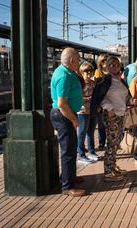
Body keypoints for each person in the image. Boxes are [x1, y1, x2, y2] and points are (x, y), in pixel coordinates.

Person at [50, 47, 86, 197]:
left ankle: (69, 177)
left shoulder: (68, 72)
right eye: (78, 59)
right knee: (68, 151)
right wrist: (74, 120)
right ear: (71, 60)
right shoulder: (63, 75)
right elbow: (62, 103)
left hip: (66, 114)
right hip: (64, 115)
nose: (79, 62)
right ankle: (67, 186)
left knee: (71, 149)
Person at [91, 56, 130, 181]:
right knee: (112, 143)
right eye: (111, 65)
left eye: (117, 65)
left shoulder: (120, 80)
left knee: (116, 143)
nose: (114, 67)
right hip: (111, 116)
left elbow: (126, 95)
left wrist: (130, 100)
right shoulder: (104, 80)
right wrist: (109, 108)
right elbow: (100, 98)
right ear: (106, 67)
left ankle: (112, 166)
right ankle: (108, 172)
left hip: (121, 114)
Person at [76, 62, 99, 164]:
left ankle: (91, 151)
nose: (89, 73)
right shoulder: (79, 83)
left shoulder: (93, 83)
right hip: (82, 111)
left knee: (91, 132)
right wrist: (88, 98)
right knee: (82, 133)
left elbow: (97, 95)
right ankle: (81, 154)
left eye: (91, 71)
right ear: (81, 72)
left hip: (93, 110)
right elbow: (78, 97)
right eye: (86, 71)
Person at [94, 54, 109, 150]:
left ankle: (110, 142)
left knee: (110, 124)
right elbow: (97, 89)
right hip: (101, 102)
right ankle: (101, 143)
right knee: (101, 125)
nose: (105, 63)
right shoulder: (98, 73)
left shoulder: (112, 71)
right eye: (103, 61)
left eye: (107, 60)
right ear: (100, 63)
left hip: (111, 102)